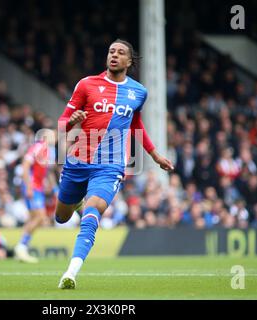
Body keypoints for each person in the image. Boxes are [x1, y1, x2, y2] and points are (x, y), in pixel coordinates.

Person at [55, 39, 174, 289]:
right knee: (62, 217)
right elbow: (62, 124)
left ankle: (70, 273)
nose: (114, 55)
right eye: (111, 51)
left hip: (110, 165)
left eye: (120, 53)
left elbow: (135, 123)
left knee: (92, 213)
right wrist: (72, 121)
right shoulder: (86, 84)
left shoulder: (138, 92)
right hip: (78, 161)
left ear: (129, 62)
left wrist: (154, 155)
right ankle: (76, 203)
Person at [14, 130, 57, 263]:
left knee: (33, 218)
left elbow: (46, 172)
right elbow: (25, 166)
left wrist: (52, 186)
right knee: (40, 217)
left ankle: (22, 249)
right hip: (33, 186)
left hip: (38, 187)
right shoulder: (38, 146)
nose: (55, 138)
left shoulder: (48, 150)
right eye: (53, 135)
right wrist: (28, 186)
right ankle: (21, 246)